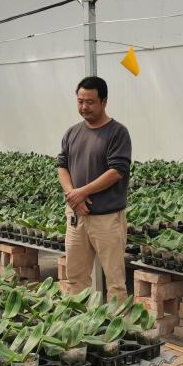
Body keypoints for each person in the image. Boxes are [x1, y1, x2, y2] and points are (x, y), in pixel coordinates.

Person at [57, 76, 132, 300]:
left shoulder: (117, 132)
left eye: (90, 102)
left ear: (104, 102)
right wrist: (72, 196)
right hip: (76, 216)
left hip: (107, 219)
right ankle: (79, 319)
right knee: (75, 278)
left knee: (115, 281)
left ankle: (118, 322)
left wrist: (83, 192)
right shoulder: (72, 132)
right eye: (80, 101)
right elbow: (62, 166)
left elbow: (117, 171)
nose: (84, 107)